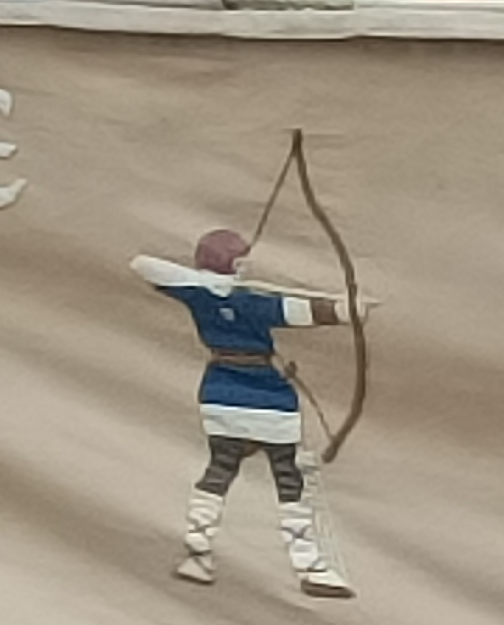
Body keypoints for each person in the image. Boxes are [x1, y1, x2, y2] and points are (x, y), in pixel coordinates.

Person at [132, 226, 355, 597]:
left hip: (221, 393)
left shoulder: (198, 296)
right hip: (267, 398)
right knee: (289, 478)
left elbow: (144, 266)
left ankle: (197, 554)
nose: (246, 268)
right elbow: (306, 311)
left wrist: (203, 283)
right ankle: (311, 567)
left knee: (220, 469)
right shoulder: (249, 301)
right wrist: (347, 310)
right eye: (240, 262)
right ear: (231, 264)